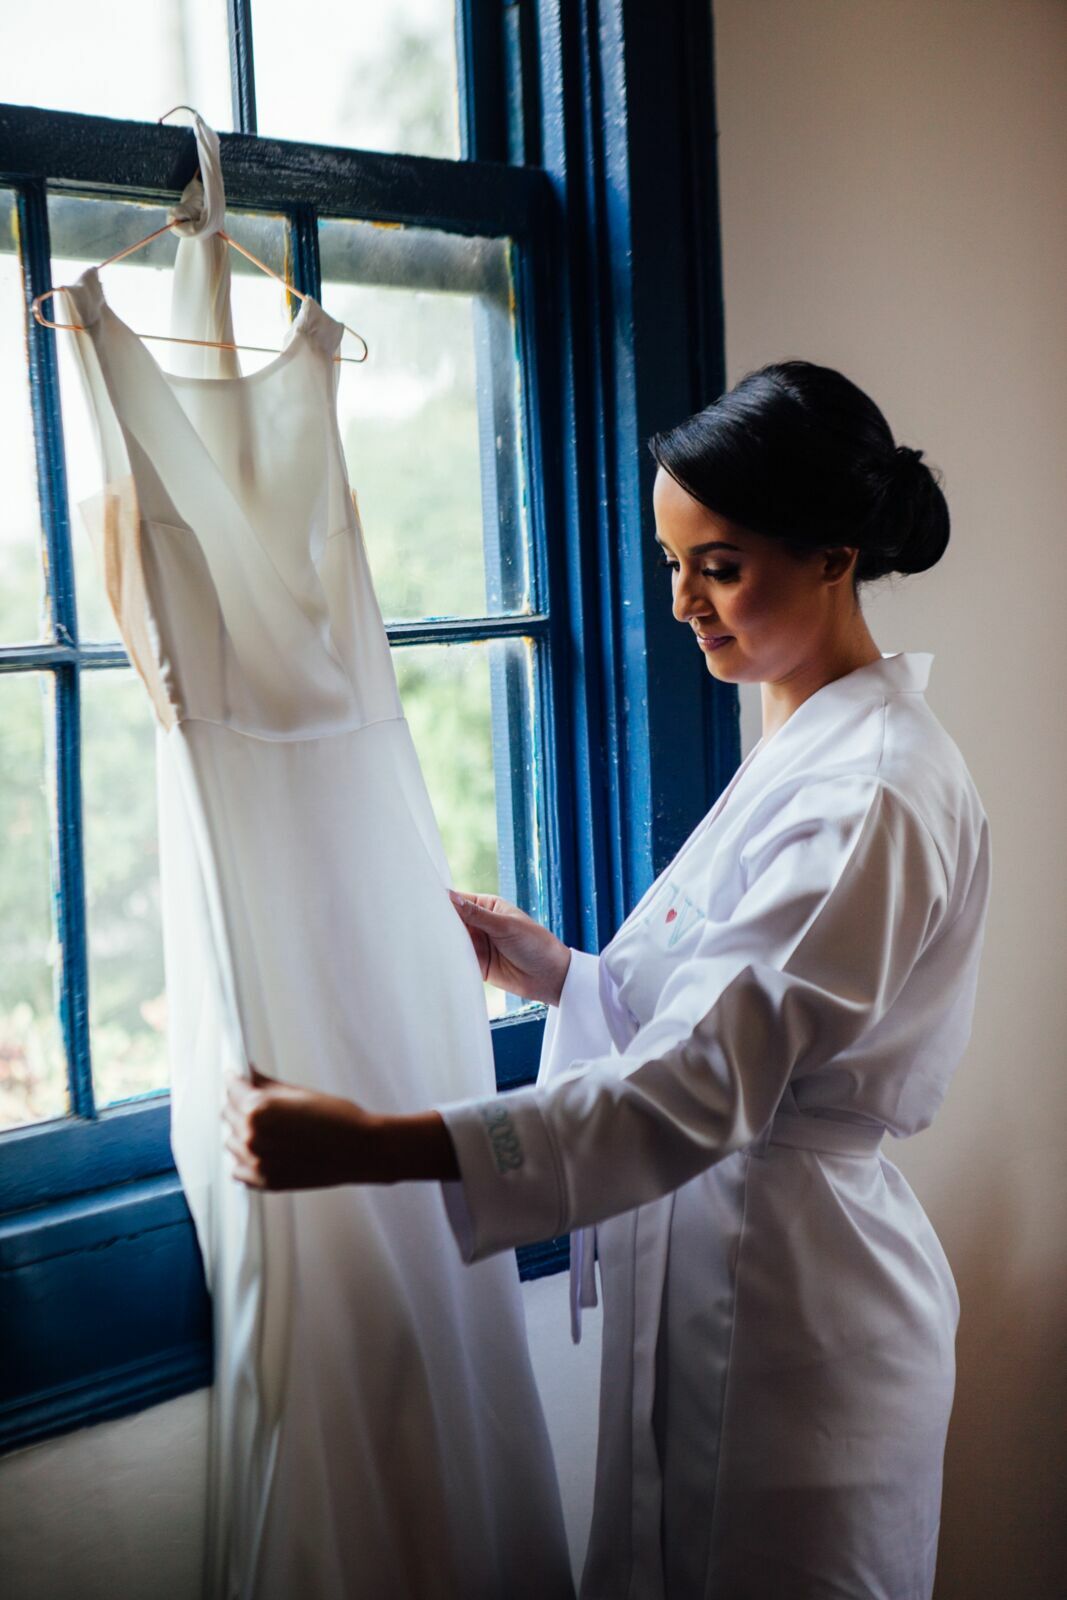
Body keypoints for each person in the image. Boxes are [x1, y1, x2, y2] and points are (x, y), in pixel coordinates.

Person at [223, 361, 992, 1600]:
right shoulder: (806, 734)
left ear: (835, 555)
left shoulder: (872, 789)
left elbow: (705, 1080)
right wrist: (564, 974)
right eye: (670, 560)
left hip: (802, 1329)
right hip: (728, 1268)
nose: (682, 601)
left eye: (721, 565)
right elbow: (733, 1015)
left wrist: (379, 1142)